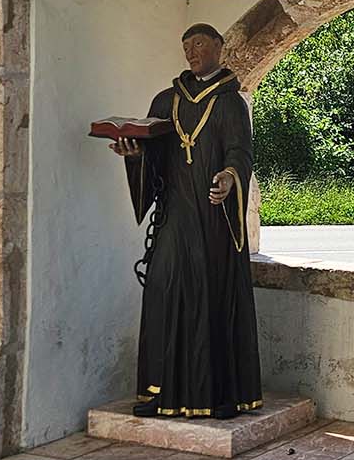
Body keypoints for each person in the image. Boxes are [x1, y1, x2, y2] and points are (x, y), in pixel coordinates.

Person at [110, 24, 262, 419]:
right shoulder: (165, 101)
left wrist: (229, 178)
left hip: (213, 219)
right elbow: (154, 157)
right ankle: (159, 390)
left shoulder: (230, 103)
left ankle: (219, 395)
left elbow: (241, 154)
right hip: (175, 216)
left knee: (212, 296)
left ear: (218, 47)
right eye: (186, 46)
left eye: (199, 44)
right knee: (162, 288)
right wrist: (134, 155)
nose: (192, 52)